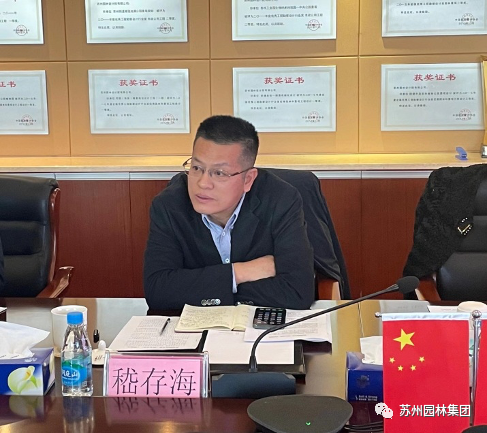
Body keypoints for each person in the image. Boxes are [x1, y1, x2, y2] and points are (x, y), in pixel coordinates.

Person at [143, 115, 315, 310]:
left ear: (248, 179)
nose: (202, 183)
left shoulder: (281, 200)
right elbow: (158, 291)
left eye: (219, 173)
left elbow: (298, 291)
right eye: (197, 168)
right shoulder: (169, 206)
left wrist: (205, 289)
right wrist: (239, 273)